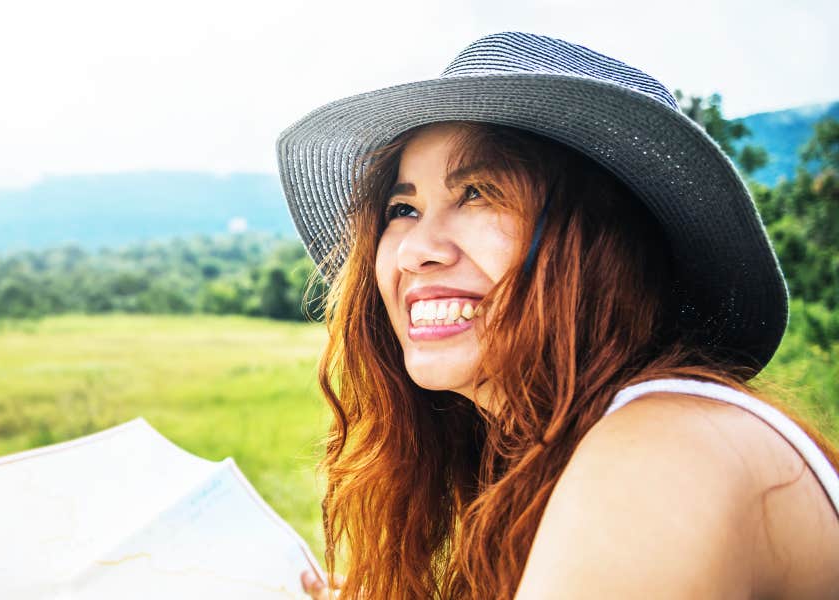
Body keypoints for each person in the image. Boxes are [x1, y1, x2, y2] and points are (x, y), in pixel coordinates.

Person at [275, 32, 839, 599]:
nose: (415, 249)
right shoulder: (548, 456)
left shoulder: (660, 452)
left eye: (478, 193)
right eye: (403, 208)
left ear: (600, 242)